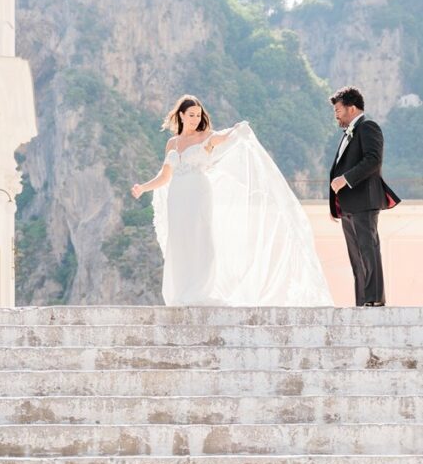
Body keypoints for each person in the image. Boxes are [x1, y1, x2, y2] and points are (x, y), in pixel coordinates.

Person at [131, 94, 333, 307]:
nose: (195, 119)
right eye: (191, 115)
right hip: (177, 197)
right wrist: (143, 187)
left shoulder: (206, 137)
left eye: (198, 115)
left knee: (200, 237)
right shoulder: (172, 143)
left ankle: (199, 290)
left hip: (198, 194)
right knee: (180, 241)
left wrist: (237, 129)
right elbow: (165, 176)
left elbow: (226, 137)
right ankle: (182, 290)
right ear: (181, 115)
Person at [329, 86, 400, 307]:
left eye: (338, 110)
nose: (336, 114)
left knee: (368, 250)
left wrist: (345, 179)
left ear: (351, 108)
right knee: (356, 257)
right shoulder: (348, 132)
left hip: (364, 201)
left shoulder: (368, 127)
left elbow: (373, 160)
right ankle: (362, 301)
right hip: (348, 205)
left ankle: (375, 299)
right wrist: (335, 204)